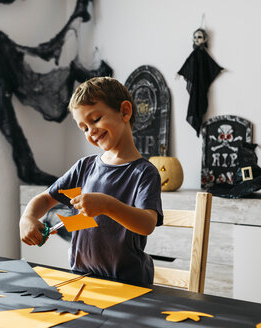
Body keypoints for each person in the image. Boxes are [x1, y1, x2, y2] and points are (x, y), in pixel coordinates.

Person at [19, 77, 163, 285]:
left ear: (124, 111)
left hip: (128, 285)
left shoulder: (144, 173)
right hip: (81, 278)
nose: (91, 132)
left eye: (95, 120)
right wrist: (28, 217)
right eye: (84, 128)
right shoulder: (84, 167)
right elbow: (45, 199)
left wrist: (106, 205)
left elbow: (147, 224)